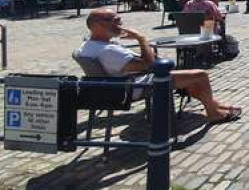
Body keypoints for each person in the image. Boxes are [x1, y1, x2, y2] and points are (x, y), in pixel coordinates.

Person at [74, 9, 240, 124]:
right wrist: (141, 39)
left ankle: (214, 105)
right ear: (96, 26)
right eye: (113, 20)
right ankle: (213, 114)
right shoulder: (107, 51)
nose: (120, 23)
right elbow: (150, 65)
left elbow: (140, 63)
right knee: (200, 75)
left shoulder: (88, 46)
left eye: (119, 19)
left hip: (119, 84)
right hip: (133, 87)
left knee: (189, 78)